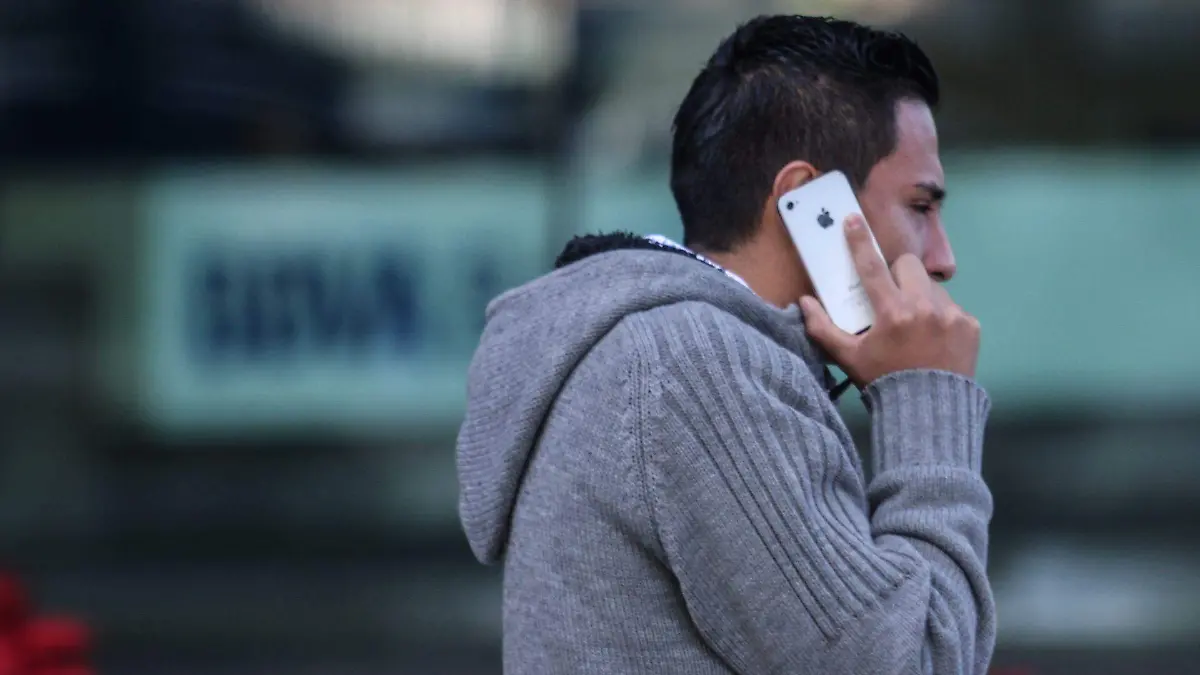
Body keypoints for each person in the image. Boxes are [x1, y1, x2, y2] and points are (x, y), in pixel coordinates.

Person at [457, 14, 994, 675]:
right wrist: (928, 398)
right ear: (810, 204)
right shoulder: (695, 365)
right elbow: (912, 663)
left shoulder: (659, 352)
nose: (942, 258)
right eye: (921, 207)